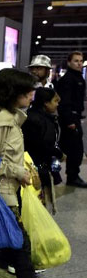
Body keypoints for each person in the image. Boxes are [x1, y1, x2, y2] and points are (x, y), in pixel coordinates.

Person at [0, 69, 77, 278]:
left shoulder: (12, 118)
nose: (32, 94)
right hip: (0, 196)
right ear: (13, 94)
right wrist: (18, 171)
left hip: (9, 193)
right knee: (19, 251)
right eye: (27, 91)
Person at [22, 87, 64, 213]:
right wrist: (59, 154)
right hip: (37, 166)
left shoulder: (34, 116)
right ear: (46, 103)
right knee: (39, 202)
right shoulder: (37, 119)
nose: (57, 105)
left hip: (38, 163)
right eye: (55, 101)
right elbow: (44, 144)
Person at [55, 51, 86, 187]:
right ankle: (72, 177)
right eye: (76, 61)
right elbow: (64, 102)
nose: (79, 63)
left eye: (81, 61)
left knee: (74, 148)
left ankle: (72, 175)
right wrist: (70, 121)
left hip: (75, 116)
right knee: (75, 149)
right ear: (69, 63)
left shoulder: (78, 78)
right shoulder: (68, 79)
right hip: (70, 118)